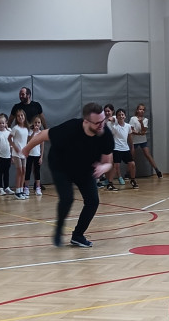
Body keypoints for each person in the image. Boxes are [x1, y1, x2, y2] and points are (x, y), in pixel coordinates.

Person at [22, 102, 114, 248]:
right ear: (86, 121)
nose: (102, 125)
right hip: (61, 166)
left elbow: (108, 162)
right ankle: (59, 229)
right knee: (67, 198)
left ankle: (78, 235)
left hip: (84, 168)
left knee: (93, 201)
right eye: (97, 123)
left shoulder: (105, 134)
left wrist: (103, 167)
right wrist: (26, 149)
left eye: (103, 120)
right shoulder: (70, 128)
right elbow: (43, 135)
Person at [129, 103, 162, 178]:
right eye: (140, 109)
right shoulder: (133, 119)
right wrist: (140, 133)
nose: (142, 111)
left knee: (148, 154)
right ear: (137, 110)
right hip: (134, 141)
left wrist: (141, 123)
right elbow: (132, 130)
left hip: (143, 140)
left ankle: (157, 170)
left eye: (143, 110)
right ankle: (129, 173)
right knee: (132, 157)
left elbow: (144, 130)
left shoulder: (145, 120)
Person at [111, 108, 138, 188]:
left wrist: (132, 146)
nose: (121, 116)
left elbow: (129, 137)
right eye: (119, 115)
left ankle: (133, 180)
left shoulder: (128, 126)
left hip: (125, 149)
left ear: (125, 116)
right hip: (117, 149)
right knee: (116, 166)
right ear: (116, 117)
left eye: (122, 114)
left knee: (132, 164)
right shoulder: (114, 127)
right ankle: (110, 183)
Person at [0, 113, 14, 196]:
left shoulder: (9, 132)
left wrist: (12, 156)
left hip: (8, 156)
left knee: (6, 172)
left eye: (3, 123)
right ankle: (0, 188)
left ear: (6, 123)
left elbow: (12, 145)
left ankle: (7, 187)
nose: (1, 125)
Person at [10, 108, 28, 198]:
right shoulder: (15, 128)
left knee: (24, 171)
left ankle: (21, 190)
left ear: (24, 116)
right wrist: (15, 147)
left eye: (22, 115)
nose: (20, 117)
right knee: (19, 171)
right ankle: (17, 191)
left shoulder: (26, 129)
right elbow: (9, 139)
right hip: (16, 153)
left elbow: (26, 141)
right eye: (18, 116)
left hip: (23, 153)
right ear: (16, 118)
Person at [25, 115, 44, 197]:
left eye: (38, 122)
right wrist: (34, 132)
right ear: (33, 123)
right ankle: (26, 188)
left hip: (37, 155)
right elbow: (29, 140)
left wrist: (41, 157)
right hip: (30, 155)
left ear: (41, 123)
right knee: (28, 171)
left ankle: (38, 188)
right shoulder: (30, 131)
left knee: (37, 172)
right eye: (35, 122)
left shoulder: (41, 133)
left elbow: (42, 146)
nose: (37, 124)